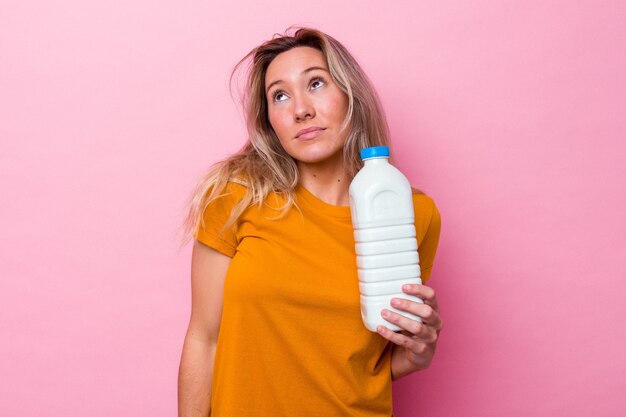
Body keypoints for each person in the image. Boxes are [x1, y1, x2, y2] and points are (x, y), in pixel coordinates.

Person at [177, 27, 443, 417]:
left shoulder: (413, 213)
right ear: (270, 121)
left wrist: (418, 355)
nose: (300, 108)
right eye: (279, 96)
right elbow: (204, 339)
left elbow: (365, 365)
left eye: (316, 83)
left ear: (351, 95)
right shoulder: (236, 197)